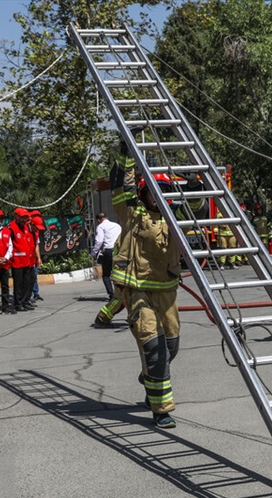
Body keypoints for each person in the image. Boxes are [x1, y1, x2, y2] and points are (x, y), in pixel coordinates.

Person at [110, 146, 182, 428]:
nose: (159, 196)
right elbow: (120, 184)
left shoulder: (176, 217)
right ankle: (161, 410)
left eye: (164, 190)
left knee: (171, 348)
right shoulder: (131, 213)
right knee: (155, 350)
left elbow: (200, 206)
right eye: (154, 190)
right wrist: (125, 154)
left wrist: (199, 186)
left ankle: (151, 375)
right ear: (144, 193)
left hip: (168, 292)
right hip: (138, 291)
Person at [91, 211, 122, 298]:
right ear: (106, 217)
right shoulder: (117, 225)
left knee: (106, 275)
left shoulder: (100, 226)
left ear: (98, 220)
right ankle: (121, 294)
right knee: (119, 273)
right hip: (119, 250)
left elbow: (99, 241)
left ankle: (111, 295)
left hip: (108, 251)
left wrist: (94, 253)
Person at [30, 214, 46, 303]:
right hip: (26, 259)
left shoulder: (36, 232)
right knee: (29, 277)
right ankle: (30, 295)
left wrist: (39, 258)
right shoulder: (26, 230)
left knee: (34, 276)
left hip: (34, 258)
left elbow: (37, 245)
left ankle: (36, 293)